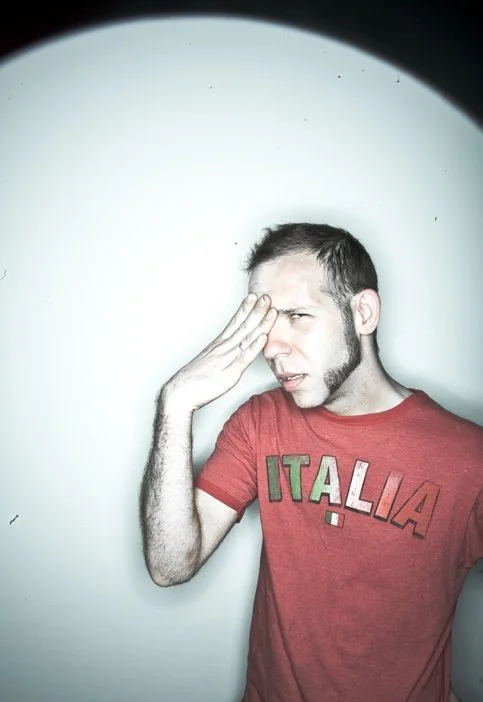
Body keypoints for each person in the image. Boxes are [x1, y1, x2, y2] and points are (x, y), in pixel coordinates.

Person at [140, 222, 481, 702]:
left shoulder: (468, 458)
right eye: (265, 324)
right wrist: (174, 405)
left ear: (362, 312)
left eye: (297, 315)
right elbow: (170, 565)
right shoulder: (260, 424)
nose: (271, 349)